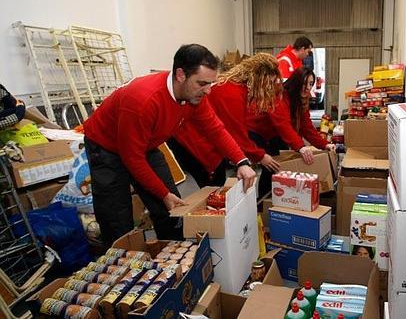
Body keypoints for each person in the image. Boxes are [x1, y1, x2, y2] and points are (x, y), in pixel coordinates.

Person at [83, 44, 256, 247]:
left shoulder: (194, 97)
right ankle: (120, 260)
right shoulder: (144, 100)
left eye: (211, 83)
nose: (208, 91)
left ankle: (176, 261)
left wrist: (241, 161)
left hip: (145, 144)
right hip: (107, 148)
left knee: (172, 209)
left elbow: (215, 129)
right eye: (202, 83)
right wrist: (162, 193)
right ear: (181, 74)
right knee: (117, 219)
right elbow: (132, 158)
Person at [169, 53, 282, 188]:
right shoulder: (232, 94)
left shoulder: (236, 88)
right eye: (268, 82)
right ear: (258, 78)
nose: (268, 88)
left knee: (216, 183)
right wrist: (259, 156)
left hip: (202, 140)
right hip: (195, 142)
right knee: (213, 187)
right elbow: (235, 133)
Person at [247, 67, 335, 197]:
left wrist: (324, 144)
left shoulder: (302, 99)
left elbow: (307, 127)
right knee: (271, 166)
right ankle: (264, 203)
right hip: (258, 131)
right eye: (304, 84)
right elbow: (283, 124)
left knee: (283, 164)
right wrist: (300, 147)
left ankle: (283, 196)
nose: (307, 88)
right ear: (296, 83)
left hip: (274, 133)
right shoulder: (279, 95)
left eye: (311, 84)